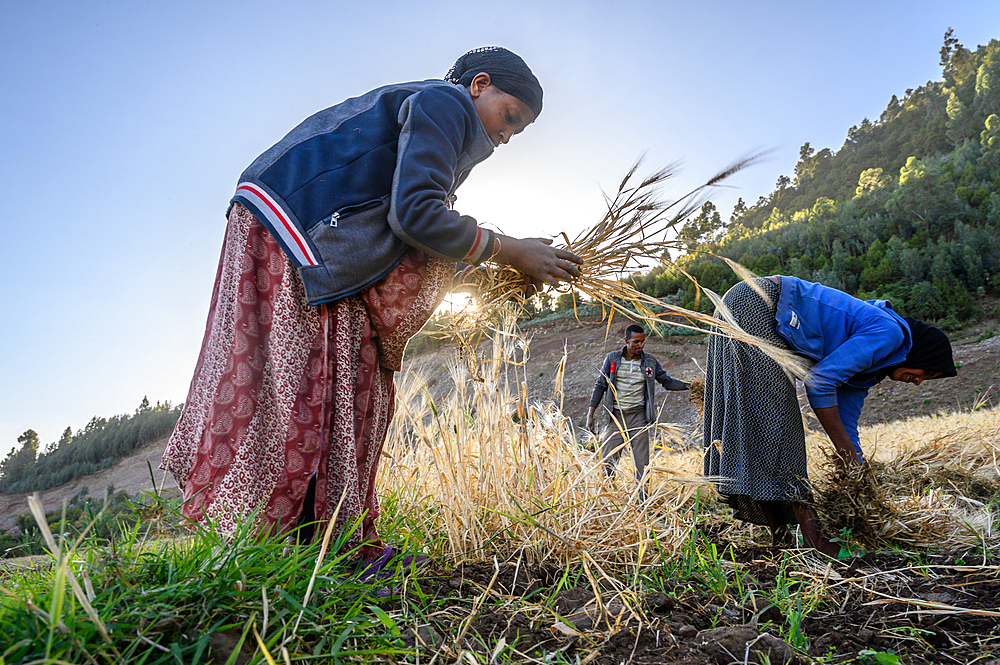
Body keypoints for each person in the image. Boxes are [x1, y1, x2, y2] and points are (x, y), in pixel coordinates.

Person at [161, 47, 583, 562]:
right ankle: (332, 548)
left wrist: (495, 267)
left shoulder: (432, 114)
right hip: (297, 232)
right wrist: (509, 248)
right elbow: (416, 217)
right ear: (479, 84)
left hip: (279, 223)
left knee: (316, 382)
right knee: (321, 385)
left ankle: (303, 544)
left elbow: (411, 224)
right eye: (510, 116)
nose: (506, 136)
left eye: (518, 131)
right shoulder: (446, 103)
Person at [702, 275, 957, 556]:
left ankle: (781, 536)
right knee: (780, 429)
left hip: (746, 304)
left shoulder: (866, 371)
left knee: (760, 427)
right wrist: (845, 450)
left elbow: (846, 427)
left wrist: (856, 472)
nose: (920, 381)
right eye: (927, 372)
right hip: (757, 303)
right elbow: (819, 382)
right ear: (919, 355)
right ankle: (815, 540)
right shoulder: (889, 333)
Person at [587, 324, 690, 495]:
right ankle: (604, 498)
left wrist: (691, 385)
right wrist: (590, 414)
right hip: (616, 417)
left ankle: (642, 502)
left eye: (642, 342)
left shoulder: (649, 362)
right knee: (608, 462)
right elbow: (600, 385)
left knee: (642, 464)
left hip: (639, 417)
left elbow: (667, 382)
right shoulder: (612, 359)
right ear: (626, 340)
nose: (640, 345)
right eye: (636, 342)